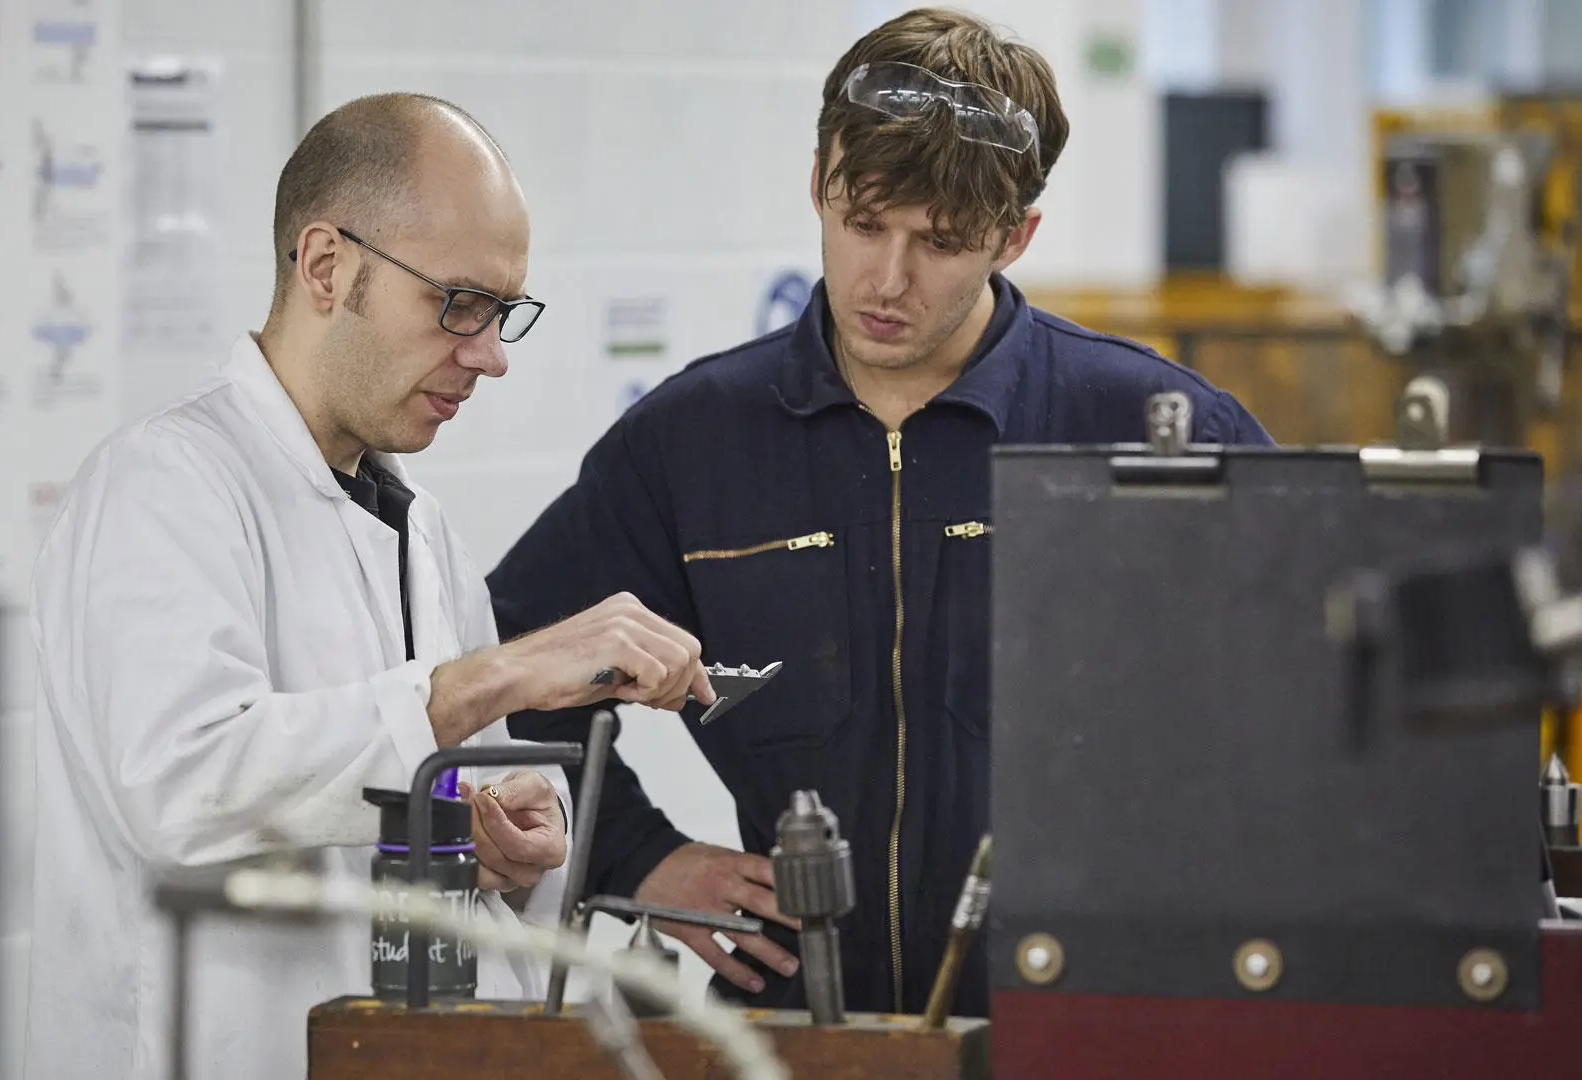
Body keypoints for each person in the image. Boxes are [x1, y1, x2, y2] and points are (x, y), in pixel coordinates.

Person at [488, 8, 1274, 1019]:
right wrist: (641, 857)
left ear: (1014, 235)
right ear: (820, 182)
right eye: (865, 225)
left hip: (1085, 1022)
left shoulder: (1142, 426)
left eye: (940, 243)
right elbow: (511, 662)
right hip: (797, 1026)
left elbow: (1307, 702)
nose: (888, 281)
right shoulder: (694, 441)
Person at [22, 93, 716, 1080]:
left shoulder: (415, 524)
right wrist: (495, 677)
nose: (491, 353)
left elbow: (411, 802)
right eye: (458, 303)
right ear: (325, 266)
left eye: (504, 311)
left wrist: (499, 845)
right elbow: (181, 785)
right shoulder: (164, 484)